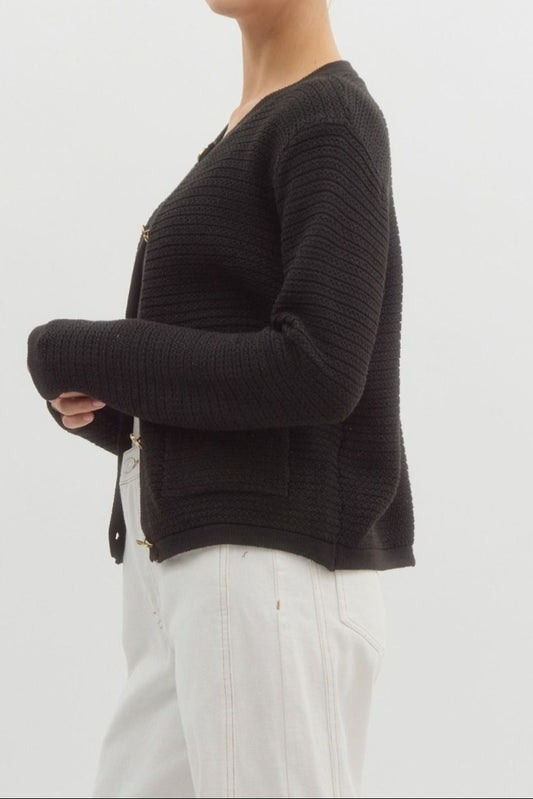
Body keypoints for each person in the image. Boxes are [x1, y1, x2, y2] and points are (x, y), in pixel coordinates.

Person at [26, 0, 415, 796]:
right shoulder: (254, 126)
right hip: (194, 568)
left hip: (268, 573)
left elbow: (318, 368)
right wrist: (118, 409)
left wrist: (94, 354)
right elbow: (245, 386)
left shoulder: (330, 119)